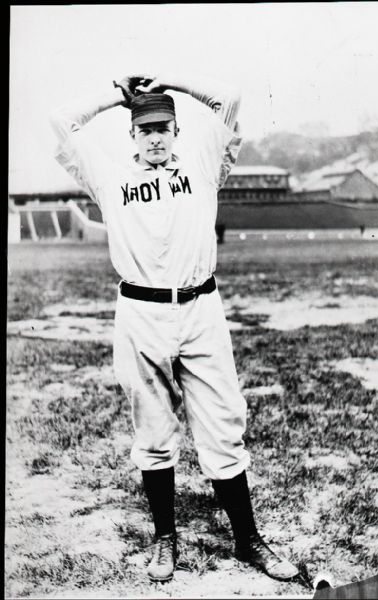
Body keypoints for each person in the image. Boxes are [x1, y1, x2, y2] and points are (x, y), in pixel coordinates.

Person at [50, 72, 299, 584]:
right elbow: (60, 123)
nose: (156, 137)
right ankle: (166, 539)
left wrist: (176, 80)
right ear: (133, 135)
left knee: (224, 428)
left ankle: (248, 540)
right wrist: (115, 98)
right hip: (140, 314)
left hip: (201, 309)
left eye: (164, 126)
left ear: (177, 130)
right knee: (154, 431)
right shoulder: (110, 178)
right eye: (146, 129)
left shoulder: (205, 165)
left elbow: (230, 97)